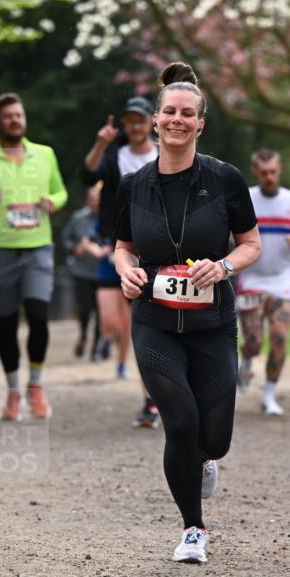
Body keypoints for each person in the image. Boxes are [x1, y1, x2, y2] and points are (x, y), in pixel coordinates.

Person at [114, 61, 261, 563]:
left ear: (200, 123)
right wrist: (126, 269)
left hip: (212, 324)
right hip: (155, 322)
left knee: (213, 439)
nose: (176, 120)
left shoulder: (224, 180)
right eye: (168, 112)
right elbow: (122, 246)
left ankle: (203, 461)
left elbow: (251, 245)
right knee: (179, 422)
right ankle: (193, 529)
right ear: (155, 120)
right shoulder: (133, 185)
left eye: (187, 114)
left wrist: (222, 266)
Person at [0, 93, 67, 419]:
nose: (15, 120)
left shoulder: (44, 154)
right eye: (8, 116)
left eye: (19, 115)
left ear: (24, 119)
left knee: (37, 315)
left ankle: (35, 387)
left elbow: (61, 191)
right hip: (1, 250)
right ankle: (12, 392)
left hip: (38, 247)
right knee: (6, 324)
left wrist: (53, 201)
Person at [84, 96, 160, 426]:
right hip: (115, 245)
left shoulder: (164, 154)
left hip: (152, 251)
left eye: (141, 120)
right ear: (125, 126)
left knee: (146, 329)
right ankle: (112, 346)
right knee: (113, 322)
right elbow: (87, 176)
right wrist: (100, 144)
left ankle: (150, 402)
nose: (136, 126)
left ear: (151, 122)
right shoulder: (115, 155)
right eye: (130, 121)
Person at [235, 148, 290, 416]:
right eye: (264, 172)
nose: (269, 177)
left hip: (282, 280)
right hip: (251, 278)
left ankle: (268, 395)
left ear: (280, 170)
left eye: (273, 172)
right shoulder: (246, 198)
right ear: (256, 172)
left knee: (279, 337)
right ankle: (246, 359)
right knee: (254, 341)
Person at [62, 184, 103, 359]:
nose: (94, 201)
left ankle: (97, 346)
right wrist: (75, 249)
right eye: (92, 197)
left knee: (102, 311)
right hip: (82, 272)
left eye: (98, 197)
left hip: (103, 273)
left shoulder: (110, 218)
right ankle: (83, 335)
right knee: (85, 308)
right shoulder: (78, 218)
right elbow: (65, 240)